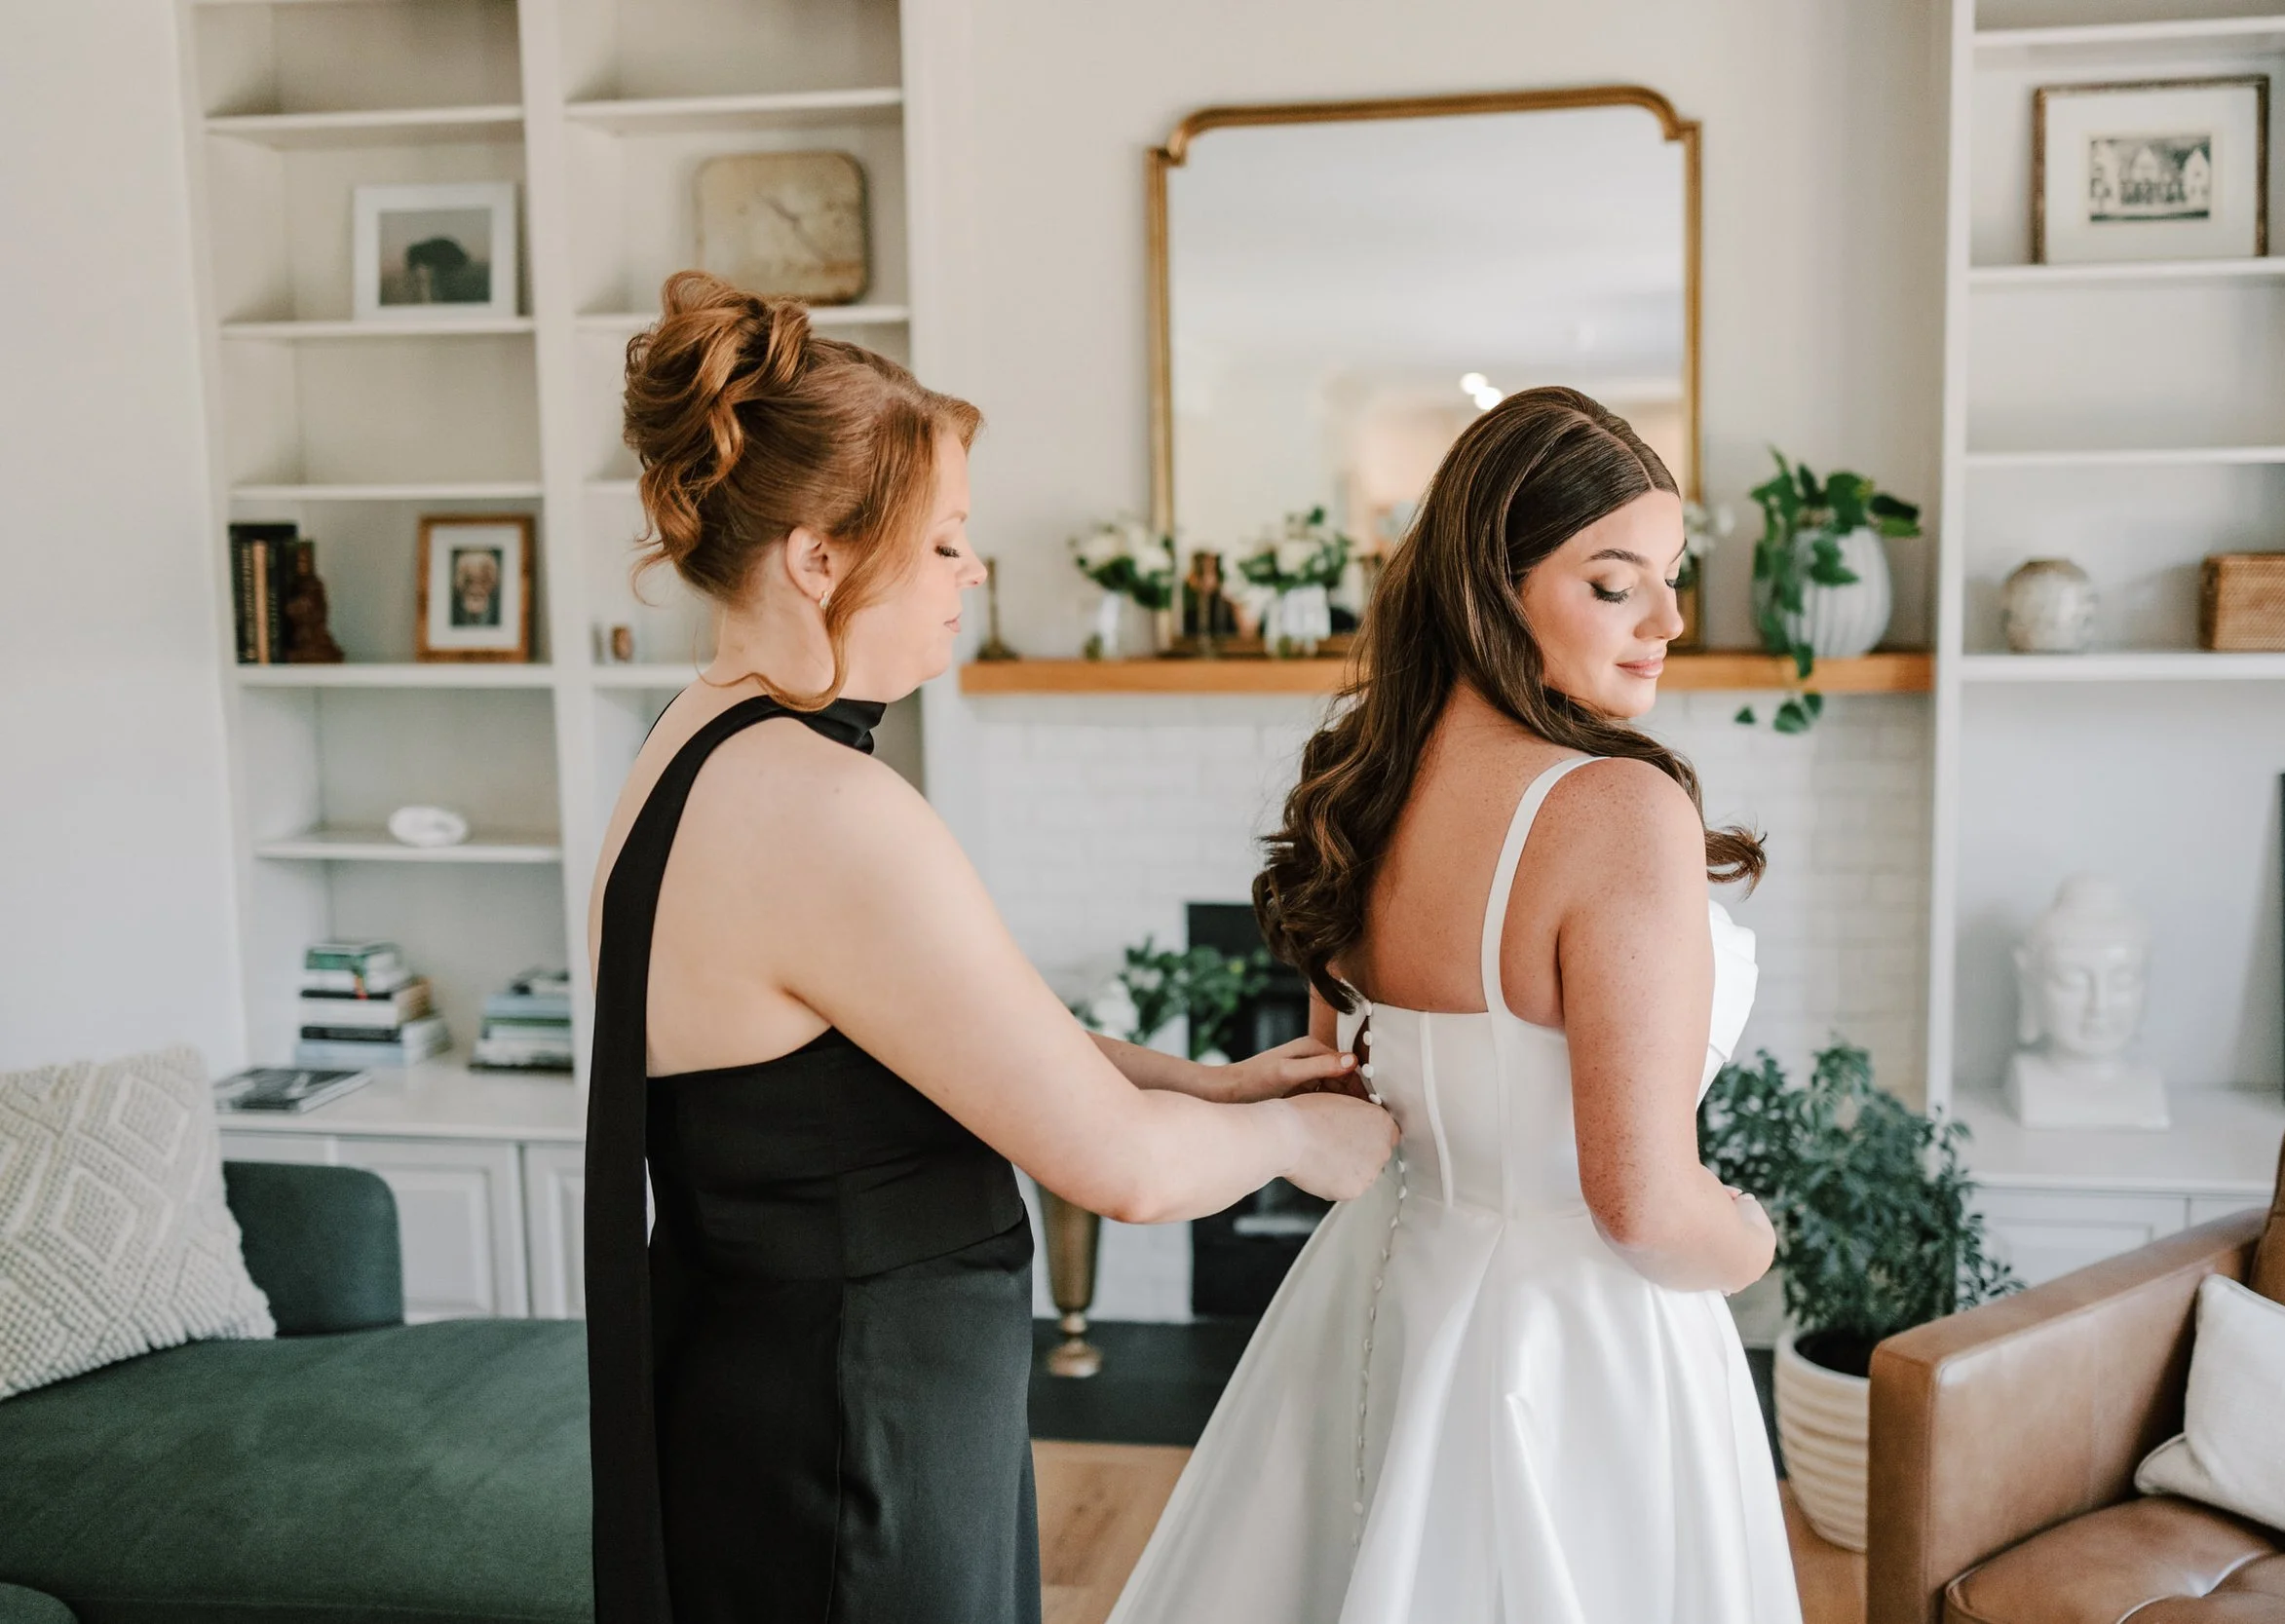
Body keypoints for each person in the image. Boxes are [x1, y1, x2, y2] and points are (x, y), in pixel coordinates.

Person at [583, 270, 1397, 1624]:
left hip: (782, 1393)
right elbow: (1122, 1174)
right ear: (820, 557)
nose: (974, 570)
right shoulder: (828, 810)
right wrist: (1305, 1143)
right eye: (949, 538)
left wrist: (1210, 1085)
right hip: (858, 1435)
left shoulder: (696, 738)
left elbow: (945, 1037)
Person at [1108, 387, 1800, 1622]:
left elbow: (1341, 1089)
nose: (1668, 618)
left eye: (1670, 576)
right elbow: (1641, 1204)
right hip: (1579, 1350)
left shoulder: (1361, 780)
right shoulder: (1613, 809)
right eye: (1613, 581)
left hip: (1380, 1300)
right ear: (1496, 580)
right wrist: (1751, 1240)